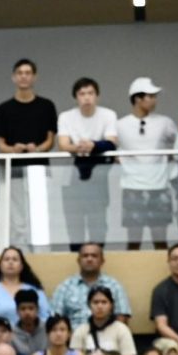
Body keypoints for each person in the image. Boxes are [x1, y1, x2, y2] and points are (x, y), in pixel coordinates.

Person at [0, 59, 58, 246]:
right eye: (20, 73)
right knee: (18, 222)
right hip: (15, 171)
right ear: (14, 77)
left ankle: (42, 262)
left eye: (28, 73)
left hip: (40, 169)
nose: (24, 76)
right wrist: (15, 150)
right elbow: (0, 144)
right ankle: (21, 261)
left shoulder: (46, 106)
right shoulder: (4, 109)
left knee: (40, 219)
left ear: (34, 77)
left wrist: (35, 149)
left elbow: (50, 140)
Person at [56, 78, 119, 250]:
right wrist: (80, 147)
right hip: (72, 174)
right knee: (74, 224)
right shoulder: (66, 117)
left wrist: (93, 145)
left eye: (90, 93)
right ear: (76, 97)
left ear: (97, 96)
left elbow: (112, 142)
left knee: (97, 223)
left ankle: (97, 257)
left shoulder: (108, 115)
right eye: (82, 94)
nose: (86, 98)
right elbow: (63, 144)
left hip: (98, 175)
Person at [117, 77, 177, 251]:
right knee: (133, 242)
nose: (154, 100)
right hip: (132, 187)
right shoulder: (120, 124)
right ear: (137, 98)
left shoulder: (164, 122)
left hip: (159, 186)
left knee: (161, 242)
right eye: (150, 96)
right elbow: (112, 147)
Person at [51, 243, 132, 329]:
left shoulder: (114, 286)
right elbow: (55, 319)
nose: (89, 259)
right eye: (85, 256)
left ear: (102, 261)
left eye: (94, 256)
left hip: (106, 339)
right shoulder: (65, 287)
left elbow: (122, 318)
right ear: (78, 260)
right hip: (73, 339)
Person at [0, 247, 50, 339]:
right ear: (0, 265)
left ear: (22, 266)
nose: (10, 262)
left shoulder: (35, 290)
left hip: (30, 339)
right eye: (6, 259)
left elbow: (45, 317)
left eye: (15, 259)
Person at [69, 285, 136, 355]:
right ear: (89, 305)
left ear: (111, 305)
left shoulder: (122, 329)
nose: (99, 306)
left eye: (104, 302)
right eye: (95, 302)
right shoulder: (81, 330)